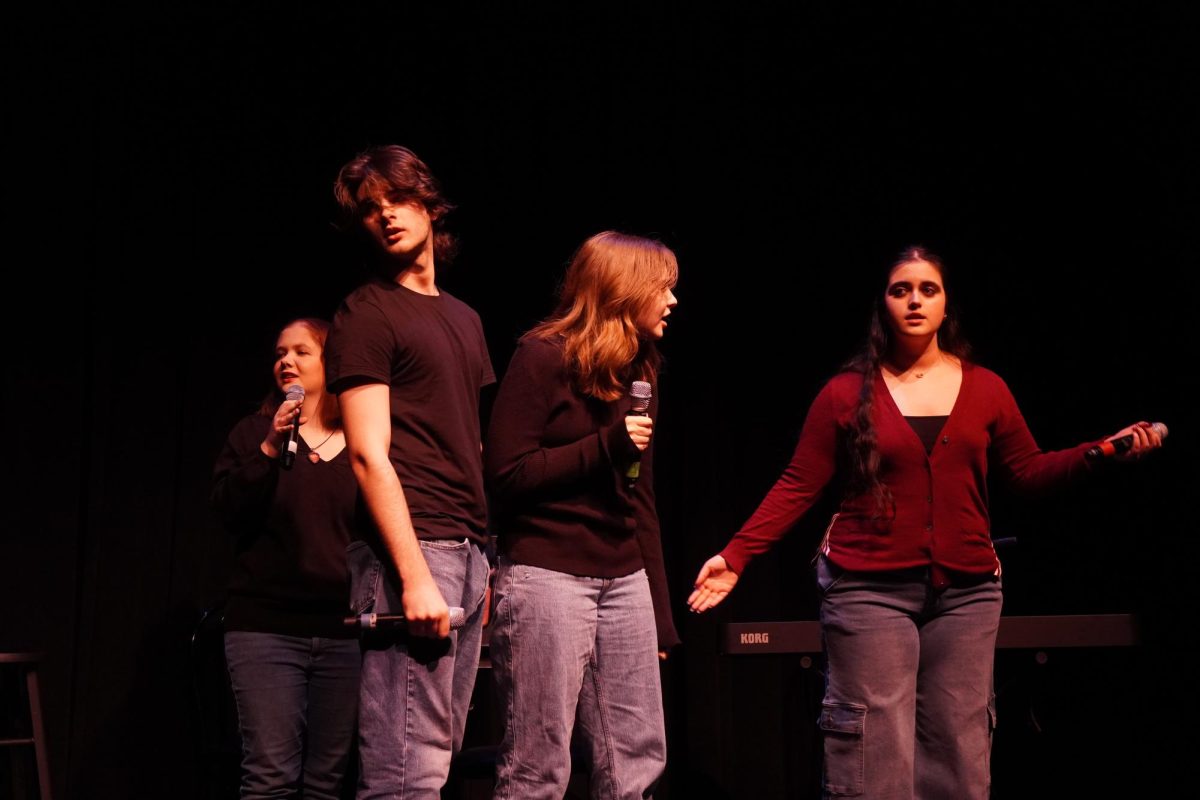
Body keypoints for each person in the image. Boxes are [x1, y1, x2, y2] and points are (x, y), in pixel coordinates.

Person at [687, 247, 1163, 800]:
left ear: (945, 306)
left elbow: (1029, 474)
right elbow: (798, 483)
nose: (915, 300)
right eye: (901, 289)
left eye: (928, 289)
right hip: (868, 588)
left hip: (968, 592)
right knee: (874, 754)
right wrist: (737, 556)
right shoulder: (845, 393)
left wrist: (1098, 453)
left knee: (959, 753)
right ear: (883, 304)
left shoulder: (985, 388)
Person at [485, 231, 682, 799]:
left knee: (636, 763)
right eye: (663, 289)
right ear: (624, 289)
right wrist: (607, 447)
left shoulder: (641, 370)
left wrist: (659, 617)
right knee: (537, 767)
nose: (672, 302)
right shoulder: (542, 357)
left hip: (625, 582)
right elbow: (506, 475)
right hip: (548, 577)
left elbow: (640, 496)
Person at [324, 145, 493, 799]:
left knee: (438, 760)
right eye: (370, 211)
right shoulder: (367, 313)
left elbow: (469, 445)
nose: (386, 216)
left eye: (396, 199)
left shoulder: (465, 319)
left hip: (469, 548)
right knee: (405, 771)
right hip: (411, 552)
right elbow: (368, 454)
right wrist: (413, 575)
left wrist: (488, 556)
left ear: (427, 202)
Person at [211, 317, 361, 800]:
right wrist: (271, 446)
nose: (286, 362)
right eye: (279, 354)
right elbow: (227, 511)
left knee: (326, 782)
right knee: (270, 777)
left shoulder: (363, 442)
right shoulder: (253, 433)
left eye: (301, 352)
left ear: (329, 362)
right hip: (266, 630)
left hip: (345, 634)